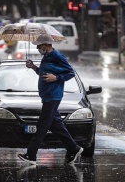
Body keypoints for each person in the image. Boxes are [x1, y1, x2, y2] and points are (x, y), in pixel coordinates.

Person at [18, 34, 83, 165]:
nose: (37, 49)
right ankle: (74, 149)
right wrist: (34, 68)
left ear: (46, 45)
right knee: (56, 125)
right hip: (47, 96)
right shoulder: (46, 57)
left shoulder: (57, 56)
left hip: (53, 96)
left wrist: (56, 78)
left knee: (42, 125)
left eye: (39, 46)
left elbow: (71, 72)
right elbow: (43, 74)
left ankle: (31, 155)